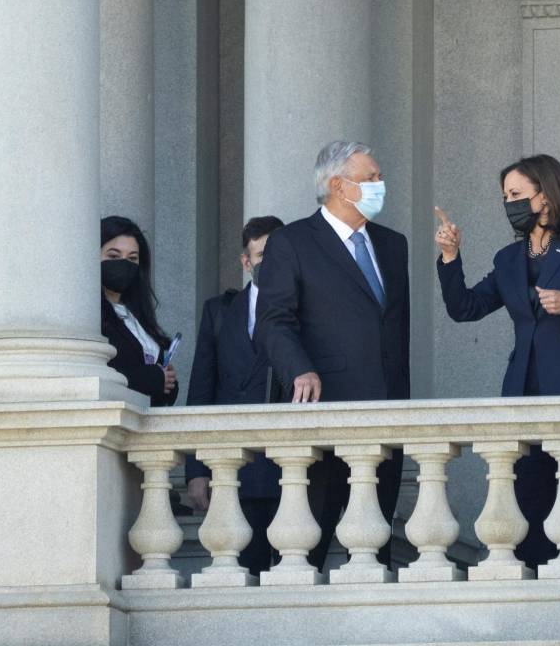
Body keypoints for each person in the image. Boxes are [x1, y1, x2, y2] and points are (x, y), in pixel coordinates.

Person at [435, 153, 560, 569]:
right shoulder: (509, 259)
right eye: (505, 196)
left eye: (516, 194)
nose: (508, 202)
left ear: (545, 195)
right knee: (529, 501)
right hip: (525, 392)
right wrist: (451, 258)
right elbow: (466, 307)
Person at [255, 141, 408, 570]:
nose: (381, 185)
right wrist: (298, 368)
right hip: (322, 414)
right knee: (307, 546)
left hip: (385, 415)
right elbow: (273, 319)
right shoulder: (293, 241)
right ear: (339, 186)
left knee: (376, 548)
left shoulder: (393, 245)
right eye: (371, 178)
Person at [184, 215, 284, 576]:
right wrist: (195, 471)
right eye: (260, 256)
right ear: (246, 262)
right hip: (235, 470)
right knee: (242, 576)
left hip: (293, 469)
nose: (268, 264)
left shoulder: (309, 310)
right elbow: (201, 391)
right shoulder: (219, 312)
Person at [100, 216, 178, 407]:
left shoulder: (136, 315)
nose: (123, 264)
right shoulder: (89, 316)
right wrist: (153, 378)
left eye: (132, 258)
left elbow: (160, 382)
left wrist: (167, 381)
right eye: (113, 256)